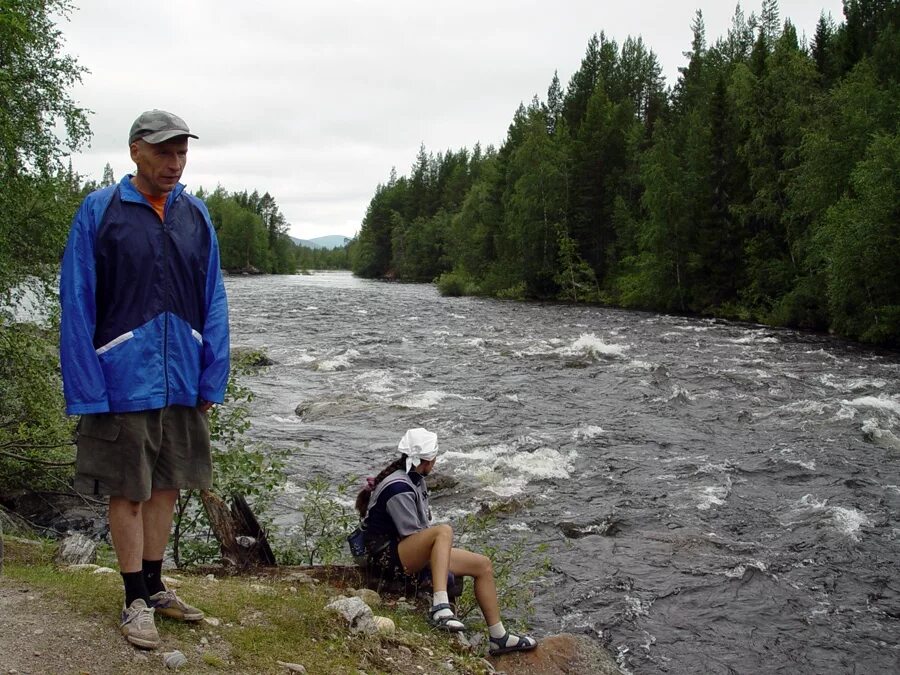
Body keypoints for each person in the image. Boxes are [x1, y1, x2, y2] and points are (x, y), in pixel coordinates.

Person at [59, 110, 230, 649]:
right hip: (120, 378)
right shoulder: (100, 211)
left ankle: (156, 587)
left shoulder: (196, 216)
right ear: (136, 151)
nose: (174, 164)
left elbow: (214, 300)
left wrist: (212, 375)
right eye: (163, 152)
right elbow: (77, 300)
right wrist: (86, 387)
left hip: (181, 375)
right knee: (127, 490)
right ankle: (133, 599)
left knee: (167, 485)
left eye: (181, 153)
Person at [356, 428, 538, 656]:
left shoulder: (415, 478)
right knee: (443, 532)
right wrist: (435, 564)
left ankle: (498, 636)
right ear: (428, 460)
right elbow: (412, 536)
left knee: (483, 565)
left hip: (404, 550)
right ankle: (440, 606)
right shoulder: (398, 488)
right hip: (386, 558)